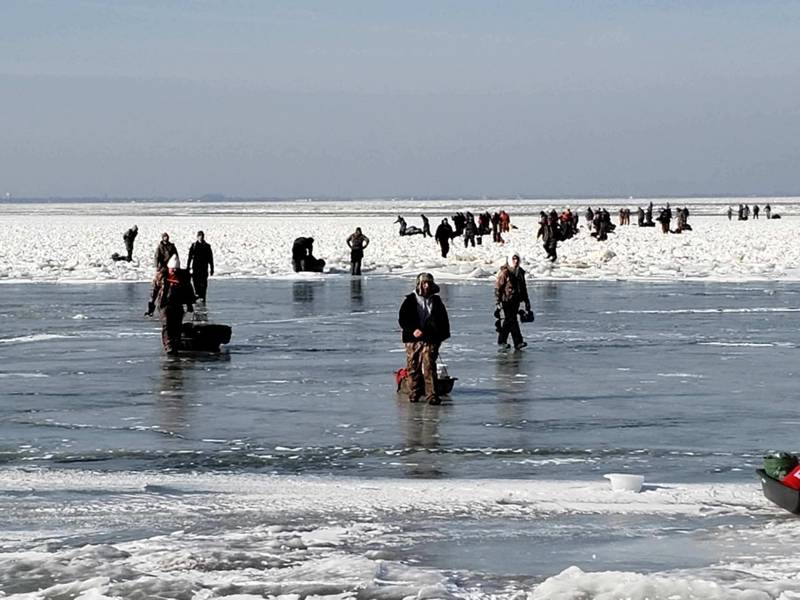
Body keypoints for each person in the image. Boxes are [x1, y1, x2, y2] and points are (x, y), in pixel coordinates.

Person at [398, 273, 450, 405]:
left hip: (431, 338)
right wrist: (412, 330)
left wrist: (441, 337)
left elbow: (443, 320)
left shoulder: (436, 301)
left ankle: (431, 395)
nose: (426, 286)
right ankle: (414, 392)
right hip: (413, 339)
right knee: (413, 366)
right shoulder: (410, 300)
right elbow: (403, 319)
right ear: (419, 284)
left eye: (429, 283)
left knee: (429, 366)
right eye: (424, 283)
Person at [146, 254, 194, 354]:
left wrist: (189, 305)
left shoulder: (183, 277)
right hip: (165, 304)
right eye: (172, 269)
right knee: (167, 325)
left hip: (178, 304)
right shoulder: (161, 276)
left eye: (176, 269)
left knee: (177, 326)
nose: (174, 271)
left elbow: (188, 291)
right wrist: (151, 305)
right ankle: (168, 345)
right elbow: (154, 291)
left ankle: (175, 344)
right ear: (169, 268)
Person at [495, 252, 531, 351]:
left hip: (516, 300)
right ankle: (517, 342)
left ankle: (503, 340)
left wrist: (527, 301)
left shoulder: (520, 272)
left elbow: (523, 288)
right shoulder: (505, 272)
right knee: (511, 320)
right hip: (506, 300)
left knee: (510, 320)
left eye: (517, 259)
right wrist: (498, 301)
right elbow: (498, 287)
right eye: (514, 259)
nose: (516, 261)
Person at [187, 230, 214, 302]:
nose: (201, 237)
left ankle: (203, 296)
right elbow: (190, 257)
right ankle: (198, 294)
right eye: (199, 236)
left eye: (202, 236)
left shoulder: (207, 246)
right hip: (196, 267)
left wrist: (212, 268)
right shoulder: (194, 246)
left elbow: (210, 258)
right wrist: (188, 267)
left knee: (204, 283)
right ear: (197, 237)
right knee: (196, 282)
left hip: (204, 268)